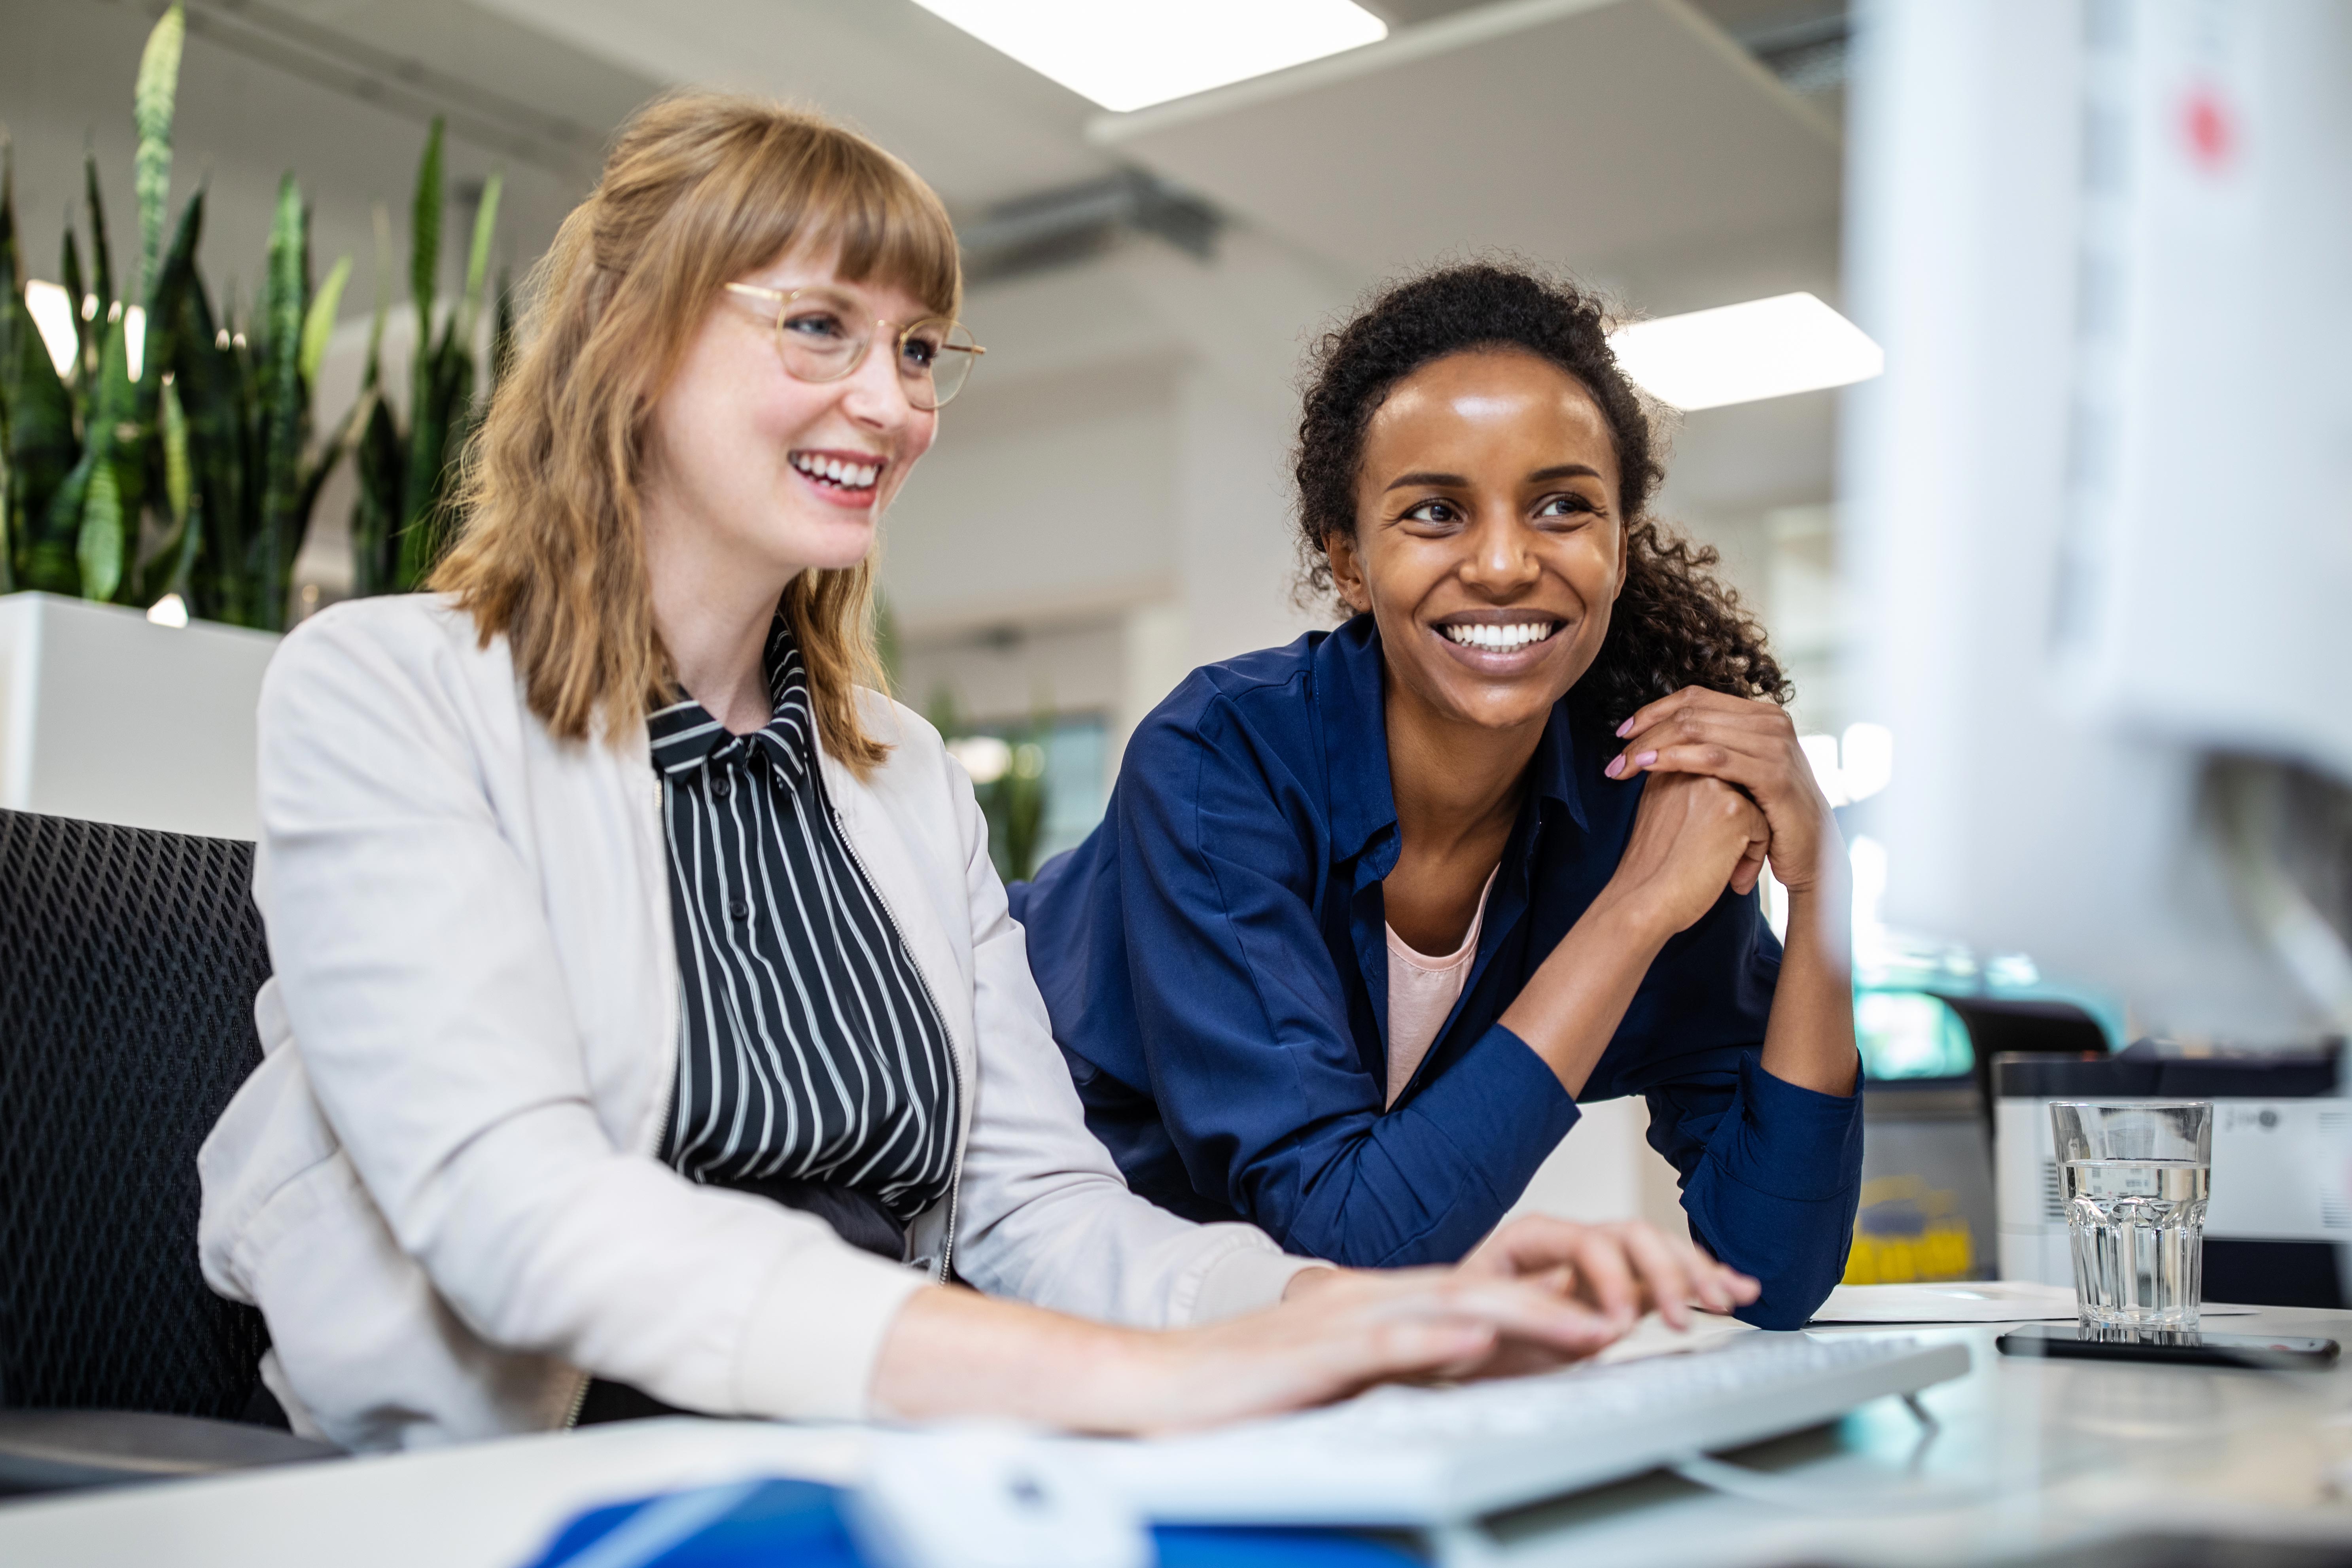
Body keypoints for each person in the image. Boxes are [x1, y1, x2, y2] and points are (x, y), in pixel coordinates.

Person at [195, 101, 1754, 1453]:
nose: (890, 403)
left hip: (873, 1433)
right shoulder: (391, 688)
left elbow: (1031, 1211)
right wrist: (1106, 1379)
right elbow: (518, 1215)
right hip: (513, 1468)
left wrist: (1372, 1311)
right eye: (819, 327)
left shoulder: (899, 774)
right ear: (630, 337)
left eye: (919, 348)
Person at [1012, 265, 1862, 1328]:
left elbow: (1770, 1269)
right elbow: (1347, 1234)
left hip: (1256, 1333)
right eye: (1434, 513)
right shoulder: (1220, 757)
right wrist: (1635, 912)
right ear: (1351, 563)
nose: (1504, 563)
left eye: (1562, 507)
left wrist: (1819, 876)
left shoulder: (1636, 802)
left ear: (1616, 545)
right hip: (999, 1254)